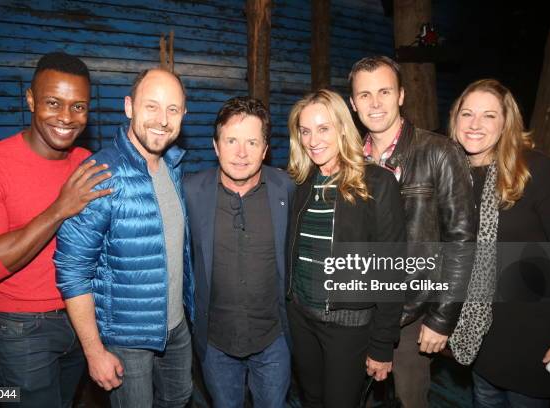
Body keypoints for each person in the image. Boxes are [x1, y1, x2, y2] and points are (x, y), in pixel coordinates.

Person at [0, 52, 111, 407]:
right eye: (53, 103)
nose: (67, 118)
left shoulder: (86, 163)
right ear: (30, 99)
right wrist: (59, 209)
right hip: (18, 330)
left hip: (80, 322)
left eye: (79, 106)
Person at [54, 68, 194, 408]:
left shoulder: (173, 167)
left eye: (172, 109)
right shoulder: (100, 175)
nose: (162, 120)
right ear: (129, 107)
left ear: (183, 115)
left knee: (180, 397)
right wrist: (94, 351)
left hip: (176, 326)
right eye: (152, 107)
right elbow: (72, 271)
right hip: (126, 339)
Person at [348, 55, 476, 407]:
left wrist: (441, 317)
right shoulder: (349, 160)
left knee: (409, 401)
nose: (375, 103)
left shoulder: (438, 152)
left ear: (401, 95)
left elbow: (462, 242)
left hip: (412, 314)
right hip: (359, 310)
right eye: (364, 95)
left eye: (385, 92)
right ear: (352, 102)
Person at [286, 89, 406, 408]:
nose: (313, 140)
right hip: (300, 317)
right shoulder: (299, 183)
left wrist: (382, 345)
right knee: (311, 398)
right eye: (306, 131)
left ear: (342, 127)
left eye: (323, 128)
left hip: (347, 325)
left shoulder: (377, 183)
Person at [448, 79, 550, 407]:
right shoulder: (456, 178)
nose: (474, 124)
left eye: (488, 116)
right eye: (467, 114)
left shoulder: (535, 170)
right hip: (481, 339)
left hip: (536, 340)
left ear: (506, 123)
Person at [184, 97, 294, 408]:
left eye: (251, 141)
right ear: (216, 146)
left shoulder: (285, 188)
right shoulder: (191, 192)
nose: (241, 152)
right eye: (231, 140)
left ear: (265, 148)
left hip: (274, 340)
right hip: (215, 342)